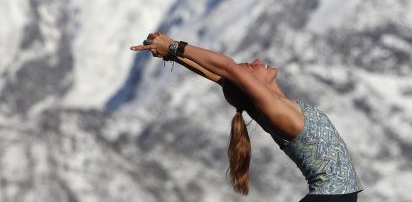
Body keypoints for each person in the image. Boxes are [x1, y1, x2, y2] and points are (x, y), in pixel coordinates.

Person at [130, 32, 364, 201]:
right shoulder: (277, 114)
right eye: (249, 67)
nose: (257, 62)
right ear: (250, 86)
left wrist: (173, 56)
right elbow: (228, 69)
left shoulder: (274, 107)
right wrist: (172, 46)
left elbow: (220, 76)